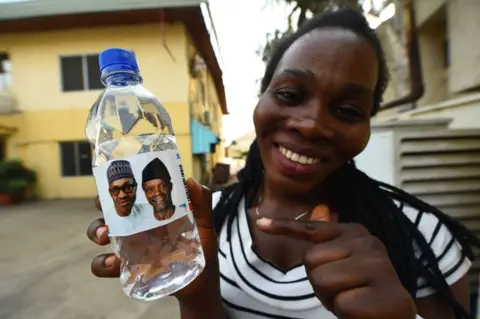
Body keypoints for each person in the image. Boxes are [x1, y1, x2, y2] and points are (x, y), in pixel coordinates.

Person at [87, 9, 480, 319]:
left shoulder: (422, 239)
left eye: (347, 109)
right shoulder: (205, 222)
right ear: (262, 97)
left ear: (368, 123)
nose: (311, 125)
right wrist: (197, 298)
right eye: (291, 94)